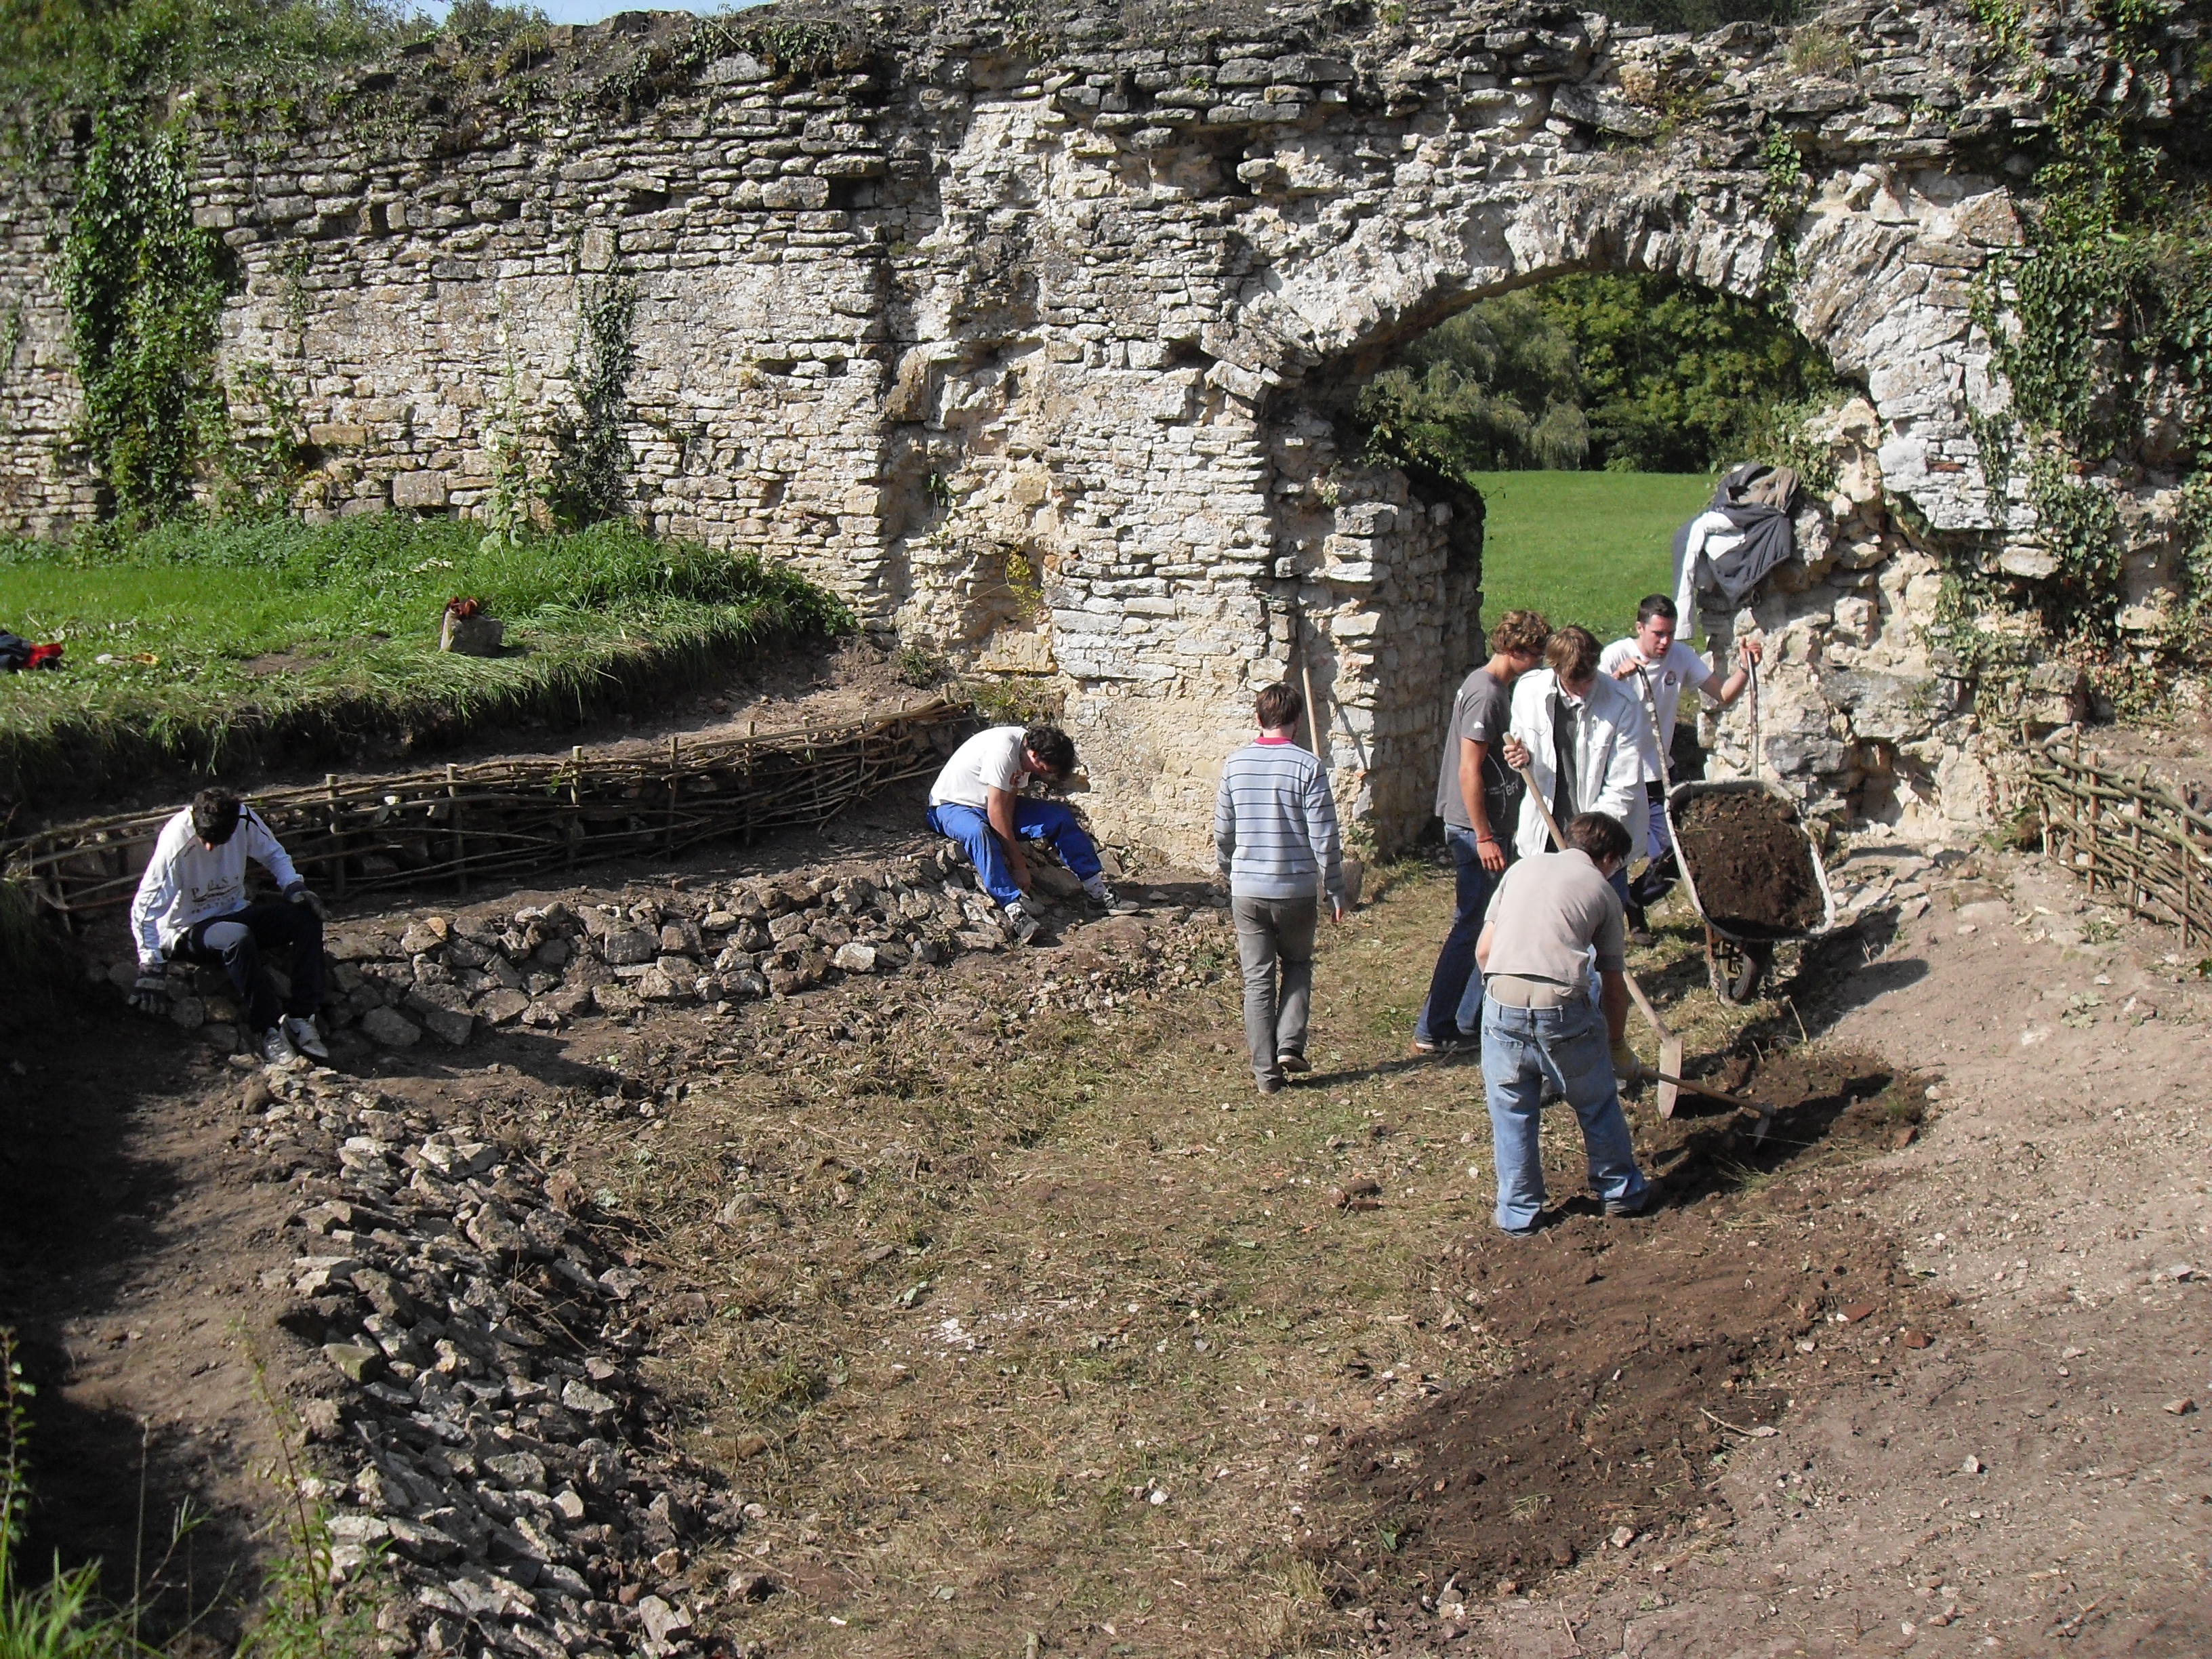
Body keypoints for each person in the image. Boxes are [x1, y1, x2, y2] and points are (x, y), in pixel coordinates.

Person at [1473, 810, 1660, 1235]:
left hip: (1502, 1003)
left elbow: (1485, 952)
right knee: (1595, 1101)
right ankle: (1620, 1191)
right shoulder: (1603, 892)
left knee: (1513, 1110)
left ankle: (1520, 1214)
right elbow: (1614, 986)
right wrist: (1614, 1046)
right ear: (1609, 858)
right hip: (1562, 1009)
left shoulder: (1521, 870)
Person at [1412, 609, 1551, 1056]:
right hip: (1476, 832)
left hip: (1486, 827)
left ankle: (1469, 1019)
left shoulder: (1493, 688)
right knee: (1471, 926)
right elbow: (1469, 770)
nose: (1540, 664)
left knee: (1492, 922)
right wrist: (1486, 835)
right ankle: (1435, 1026)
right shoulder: (1487, 694)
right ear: (1515, 651)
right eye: (1535, 655)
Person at [128, 788, 331, 1066]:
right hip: (187, 928)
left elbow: (274, 854)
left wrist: (293, 885)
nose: (210, 848)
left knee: (305, 916)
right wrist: (150, 962)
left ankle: (301, 1016)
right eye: (205, 840)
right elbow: (145, 906)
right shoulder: (177, 841)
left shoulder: (243, 819)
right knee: (237, 937)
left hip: (232, 911)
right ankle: (268, 1029)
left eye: (218, 841)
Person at [1601, 595, 1763, 935]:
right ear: (1640, 628)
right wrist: (1617, 677)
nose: (1664, 642)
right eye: (1658, 634)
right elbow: (1590, 703)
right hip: (1616, 773)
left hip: (1659, 772)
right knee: (1610, 851)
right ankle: (1606, 926)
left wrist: (1745, 669)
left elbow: (1723, 694)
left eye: (1670, 634)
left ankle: (1635, 900)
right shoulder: (1615, 655)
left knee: (1675, 855)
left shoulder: (1681, 657)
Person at [1214, 682, 1346, 1094]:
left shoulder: (1234, 766)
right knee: (1299, 965)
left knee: (1257, 980)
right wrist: (1336, 889)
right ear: (1297, 722)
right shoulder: (1309, 767)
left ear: (1258, 719)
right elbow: (1324, 836)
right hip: (1295, 888)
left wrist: (1229, 870)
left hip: (1247, 889)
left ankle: (1266, 1076)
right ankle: (1290, 1043)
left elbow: (1223, 832)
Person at [925, 722, 1132, 944]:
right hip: (950, 807)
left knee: (1058, 817)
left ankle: (1097, 891)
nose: (1043, 776)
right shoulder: (1003, 751)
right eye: (1045, 770)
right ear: (1033, 755)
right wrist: (1019, 865)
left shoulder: (1026, 749)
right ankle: (1014, 910)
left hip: (986, 805)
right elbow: (996, 812)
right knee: (979, 832)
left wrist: (1010, 829)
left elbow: (1009, 800)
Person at [1498, 627, 1647, 907]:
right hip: (1545, 833)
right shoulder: (1528, 691)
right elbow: (1525, 752)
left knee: (1598, 929)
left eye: (1589, 680)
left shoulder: (1623, 703)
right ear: (1555, 669)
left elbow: (1623, 786)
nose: (1583, 691)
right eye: (1574, 683)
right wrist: (1520, 758)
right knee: (1541, 918)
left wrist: (1588, 843)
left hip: (1600, 841)